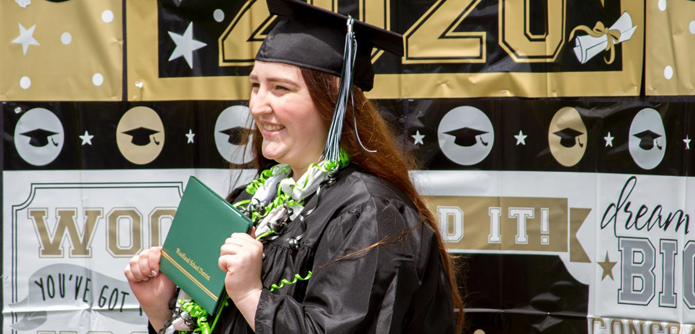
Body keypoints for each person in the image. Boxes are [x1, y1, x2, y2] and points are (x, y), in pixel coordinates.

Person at [124, 0, 463, 332]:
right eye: (256, 85)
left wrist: (250, 295)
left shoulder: (368, 213)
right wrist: (161, 314)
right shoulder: (252, 201)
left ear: (332, 102)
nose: (258, 106)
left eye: (281, 88)